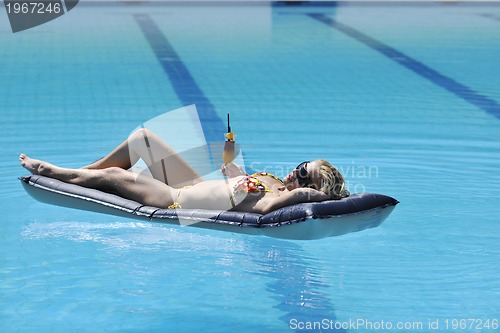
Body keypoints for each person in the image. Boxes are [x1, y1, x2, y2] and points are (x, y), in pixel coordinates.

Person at [19, 128, 349, 214]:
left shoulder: (276, 201)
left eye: (304, 175)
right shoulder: (274, 184)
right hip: (195, 183)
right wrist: (234, 171)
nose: (296, 173)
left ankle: (55, 172)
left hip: (175, 199)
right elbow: (237, 186)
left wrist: (313, 194)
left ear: (313, 189)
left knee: (117, 178)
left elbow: (267, 206)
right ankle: (79, 173)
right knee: (142, 139)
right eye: (300, 166)